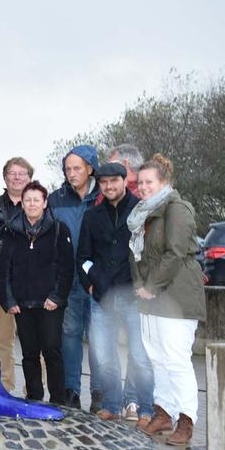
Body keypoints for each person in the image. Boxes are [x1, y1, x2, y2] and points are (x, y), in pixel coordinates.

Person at [128, 154, 205, 446]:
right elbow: (137, 256)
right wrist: (141, 287)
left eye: (149, 182)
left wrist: (151, 286)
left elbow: (175, 254)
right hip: (150, 299)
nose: (143, 187)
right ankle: (164, 413)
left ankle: (186, 419)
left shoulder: (177, 209)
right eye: (140, 182)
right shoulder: (142, 213)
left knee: (176, 360)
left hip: (177, 297)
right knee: (156, 358)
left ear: (164, 182)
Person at [76, 162, 153, 426]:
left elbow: (150, 254)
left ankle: (144, 408)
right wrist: (92, 282)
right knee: (104, 355)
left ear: (124, 180)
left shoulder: (142, 211)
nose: (108, 187)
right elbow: (83, 258)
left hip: (134, 295)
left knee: (139, 356)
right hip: (101, 298)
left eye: (114, 181)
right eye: (104, 182)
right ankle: (111, 404)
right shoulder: (92, 216)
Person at [0, 181, 74, 405]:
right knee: (29, 354)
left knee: (52, 351)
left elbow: (66, 268)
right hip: (22, 303)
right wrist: (8, 299)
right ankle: (33, 396)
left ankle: (58, 399)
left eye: (36, 199)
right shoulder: (10, 231)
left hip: (49, 303)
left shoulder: (59, 230)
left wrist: (57, 297)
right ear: (22, 203)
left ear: (45, 202)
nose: (31, 204)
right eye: (28, 199)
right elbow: (5, 269)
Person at [49, 144, 101, 410]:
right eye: (68, 169)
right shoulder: (56, 199)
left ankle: (100, 392)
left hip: (97, 282)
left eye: (77, 168)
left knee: (99, 338)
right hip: (68, 281)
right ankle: (72, 391)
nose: (72, 173)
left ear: (90, 168)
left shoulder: (104, 196)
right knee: (69, 337)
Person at [0, 157, 35, 392]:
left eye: (22, 173)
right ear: (5, 177)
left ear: (30, 177)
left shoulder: (40, 205)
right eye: (12, 173)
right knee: (2, 340)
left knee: (34, 342)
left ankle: (33, 389)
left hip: (32, 285)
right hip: (2, 285)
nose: (17, 177)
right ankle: (5, 387)